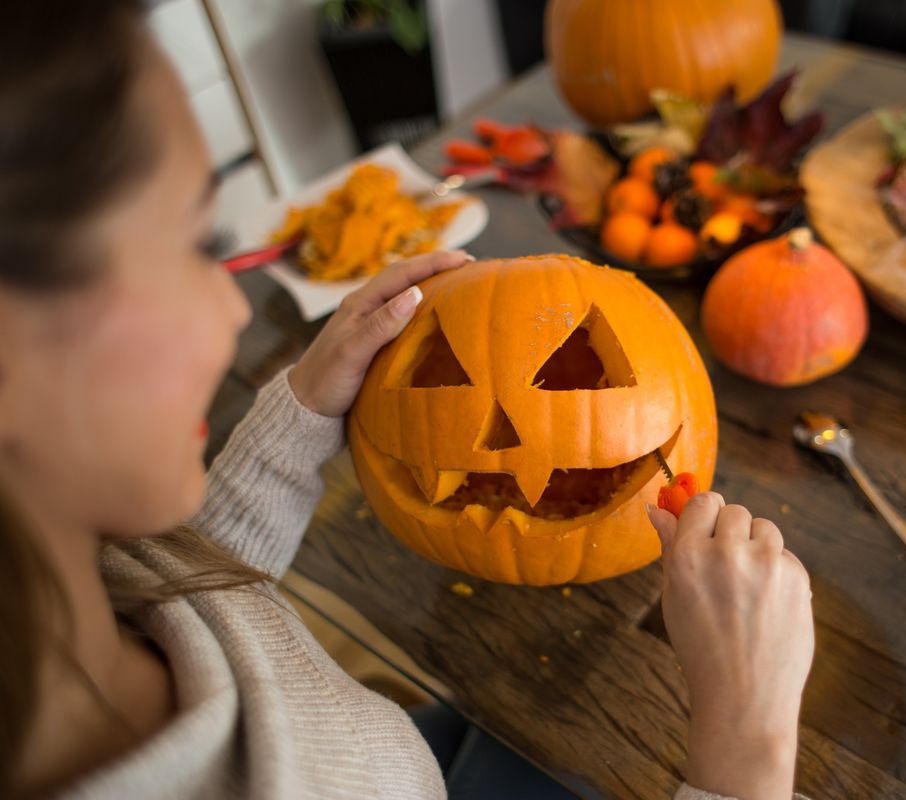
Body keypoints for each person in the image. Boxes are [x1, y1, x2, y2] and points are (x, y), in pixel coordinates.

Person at [0, 2, 815, 798]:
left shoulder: (88, 586)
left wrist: (305, 409)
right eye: (198, 247)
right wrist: (747, 742)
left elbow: (196, 595)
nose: (237, 308)